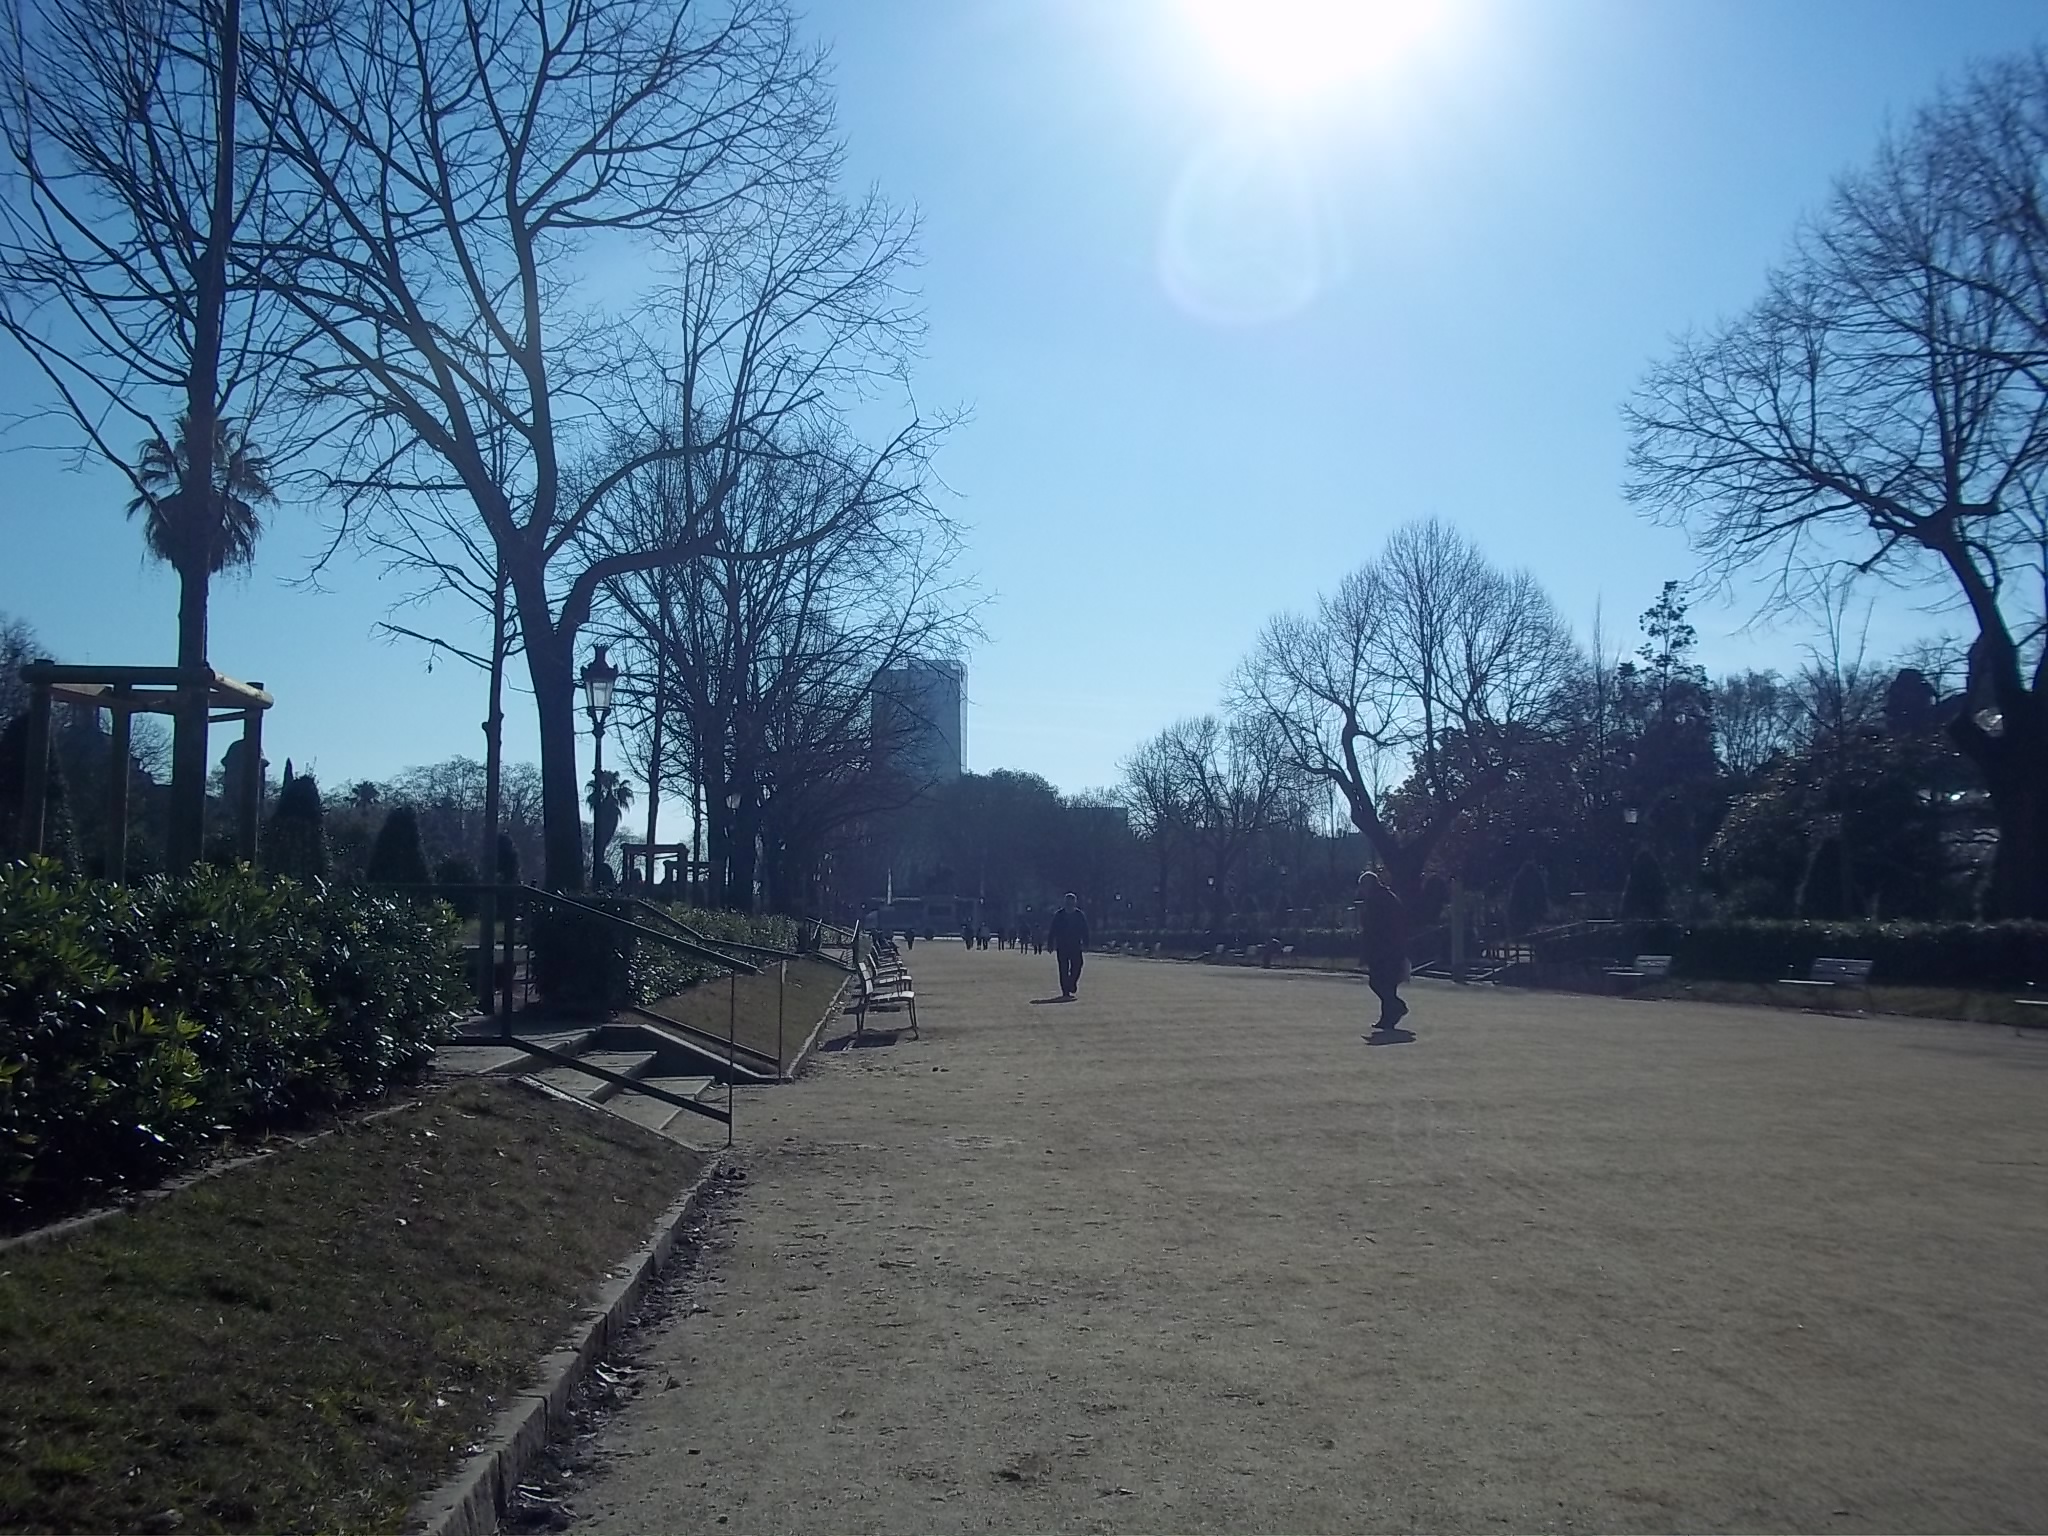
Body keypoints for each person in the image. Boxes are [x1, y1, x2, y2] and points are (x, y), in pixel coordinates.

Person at [1357, 868, 1410, 1033]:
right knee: (1388, 983)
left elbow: (1372, 928)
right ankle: (1387, 1018)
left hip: (1382, 949)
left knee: (1378, 982)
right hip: (1393, 948)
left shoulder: (1376, 900)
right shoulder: (1387, 897)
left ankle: (1396, 1007)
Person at [1047, 891, 1090, 999]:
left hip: (1075, 945)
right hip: (1062, 945)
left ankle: (1071, 982)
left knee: (1078, 964)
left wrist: (1086, 942)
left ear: (1075, 903)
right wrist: (1050, 943)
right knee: (1063, 968)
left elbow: (1085, 930)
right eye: (1068, 902)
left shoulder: (1079, 915)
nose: (1070, 904)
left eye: (1071, 902)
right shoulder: (1059, 915)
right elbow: (1053, 930)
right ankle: (1065, 990)